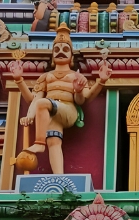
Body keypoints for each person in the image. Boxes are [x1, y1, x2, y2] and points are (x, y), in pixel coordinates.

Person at [10, 24, 111, 174]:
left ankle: (39, 143)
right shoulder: (45, 77)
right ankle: (59, 178)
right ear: (52, 55)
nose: (61, 52)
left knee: (44, 103)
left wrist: (99, 81)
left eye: (65, 49)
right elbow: (33, 100)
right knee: (53, 142)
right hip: (50, 114)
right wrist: (19, 80)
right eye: (56, 50)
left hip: (68, 110)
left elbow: (84, 99)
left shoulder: (75, 76)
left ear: (71, 56)